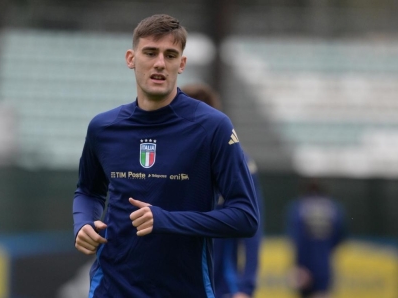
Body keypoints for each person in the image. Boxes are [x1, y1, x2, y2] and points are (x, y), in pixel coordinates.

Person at [73, 14, 260, 298]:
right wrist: (83, 222)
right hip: (112, 288)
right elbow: (87, 190)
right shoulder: (103, 127)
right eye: (150, 52)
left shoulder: (212, 127)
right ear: (131, 58)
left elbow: (246, 216)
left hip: (187, 289)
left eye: (170, 55)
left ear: (181, 64)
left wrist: (167, 221)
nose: (160, 62)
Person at [181, 83, 265, 298]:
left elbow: (252, 229)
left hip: (222, 287)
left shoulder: (238, 161)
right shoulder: (172, 160)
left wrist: (245, 287)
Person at [286, 179, 347, 298]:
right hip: (324, 266)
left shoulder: (298, 208)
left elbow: (297, 238)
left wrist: (299, 265)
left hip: (303, 265)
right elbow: (340, 237)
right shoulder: (334, 209)